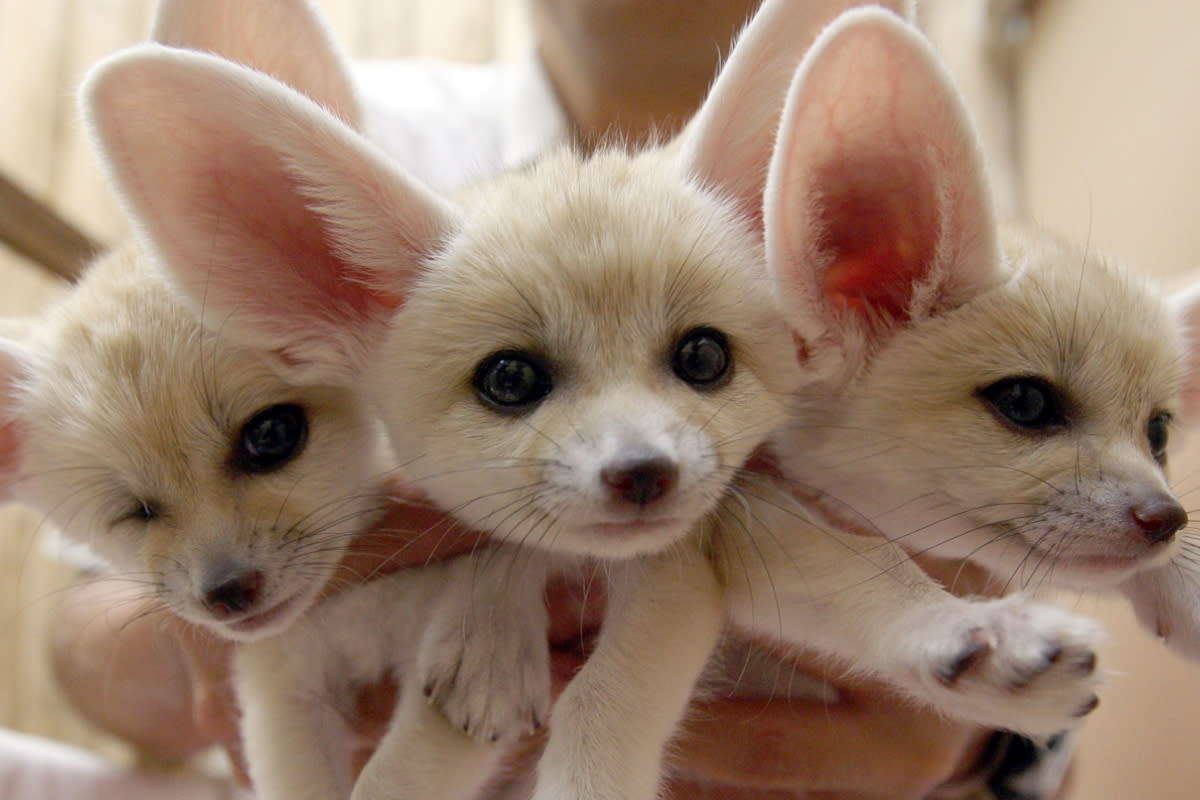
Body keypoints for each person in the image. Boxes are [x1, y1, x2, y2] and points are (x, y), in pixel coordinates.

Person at [43, 1, 1064, 798]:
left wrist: (994, 733)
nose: (636, 450)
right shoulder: (360, 151)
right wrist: (229, 659)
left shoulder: (889, 175)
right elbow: (90, 612)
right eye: (512, 377)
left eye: (698, 356)